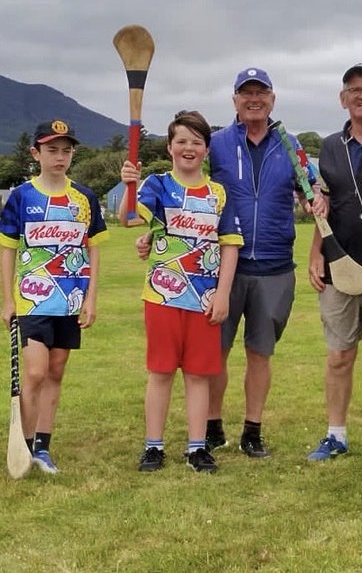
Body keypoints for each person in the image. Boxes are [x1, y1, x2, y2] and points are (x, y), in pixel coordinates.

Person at [121, 111, 242, 473]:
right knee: (160, 372)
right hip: (162, 296)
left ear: (206, 149)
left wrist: (223, 295)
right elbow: (130, 218)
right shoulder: (158, 185)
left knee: (198, 374)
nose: (189, 148)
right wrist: (129, 184)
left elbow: (230, 245)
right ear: (170, 146)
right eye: (182, 141)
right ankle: (153, 446)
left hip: (204, 299)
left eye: (196, 142)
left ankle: (196, 446)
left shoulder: (218, 193)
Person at [205, 68, 316, 458]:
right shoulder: (216, 143)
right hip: (223, 266)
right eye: (245, 93)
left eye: (261, 92)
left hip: (274, 265)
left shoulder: (291, 144)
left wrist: (316, 200)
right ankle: (212, 426)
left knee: (259, 353)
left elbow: (311, 192)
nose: (254, 99)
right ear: (234, 99)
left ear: (273, 98)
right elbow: (186, 182)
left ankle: (252, 430)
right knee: (215, 351)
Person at [0, 120, 107, 474]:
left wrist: (90, 299)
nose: (60, 157)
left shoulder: (84, 198)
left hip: (70, 301)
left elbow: (94, 251)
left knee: (56, 371)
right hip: (33, 300)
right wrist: (8, 300)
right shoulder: (23, 196)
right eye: (52, 150)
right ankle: (23, 444)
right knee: (36, 371)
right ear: (35, 153)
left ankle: (43, 446)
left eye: (66, 150)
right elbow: (7, 249)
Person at [306, 63, 362, 461]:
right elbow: (323, 205)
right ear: (343, 98)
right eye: (354, 89)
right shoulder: (329, 146)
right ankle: (336, 435)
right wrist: (315, 254)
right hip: (339, 265)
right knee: (340, 355)